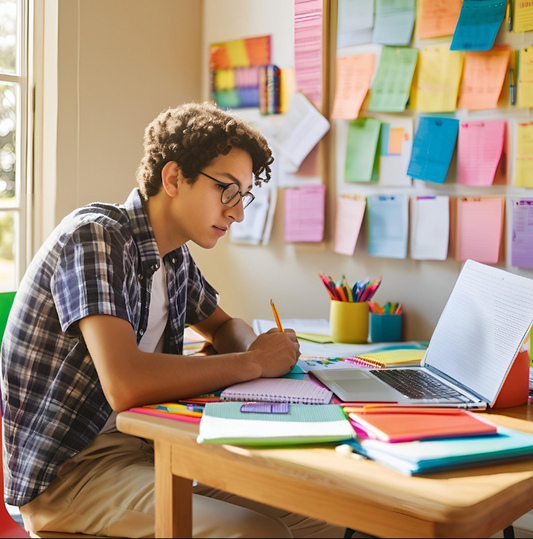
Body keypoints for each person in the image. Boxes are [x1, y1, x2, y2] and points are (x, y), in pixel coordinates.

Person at [1, 102, 345, 538]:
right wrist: (254, 364)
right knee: (260, 533)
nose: (238, 212)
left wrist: (256, 348)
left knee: (322, 508)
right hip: (69, 476)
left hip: (147, 452)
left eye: (244, 195)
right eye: (228, 190)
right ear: (173, 178)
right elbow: (126, 384)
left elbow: (223, 326)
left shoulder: (174, 257)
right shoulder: (97, 237)